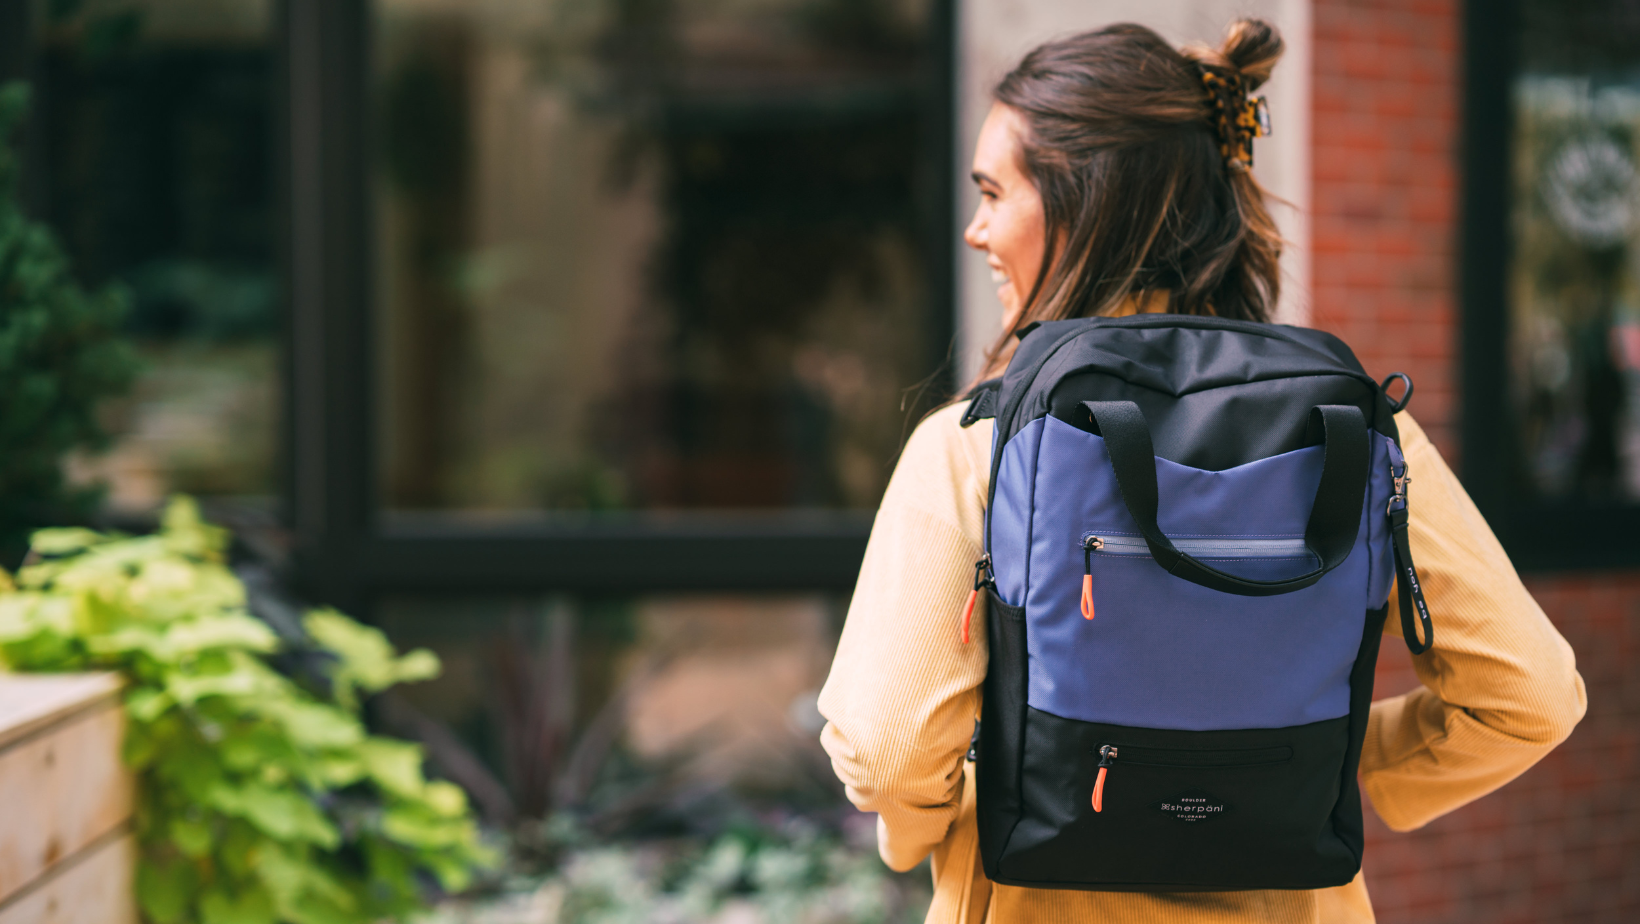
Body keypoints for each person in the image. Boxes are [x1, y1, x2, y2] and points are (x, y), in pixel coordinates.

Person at [817, 19, 1586, 924]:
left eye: (995, 191)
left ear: (1085, 201)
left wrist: (923, 829)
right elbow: (1532, 695)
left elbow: (893, 748)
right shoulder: (1357, 428)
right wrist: (1326, 758)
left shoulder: (977, 442)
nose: (977, 228)